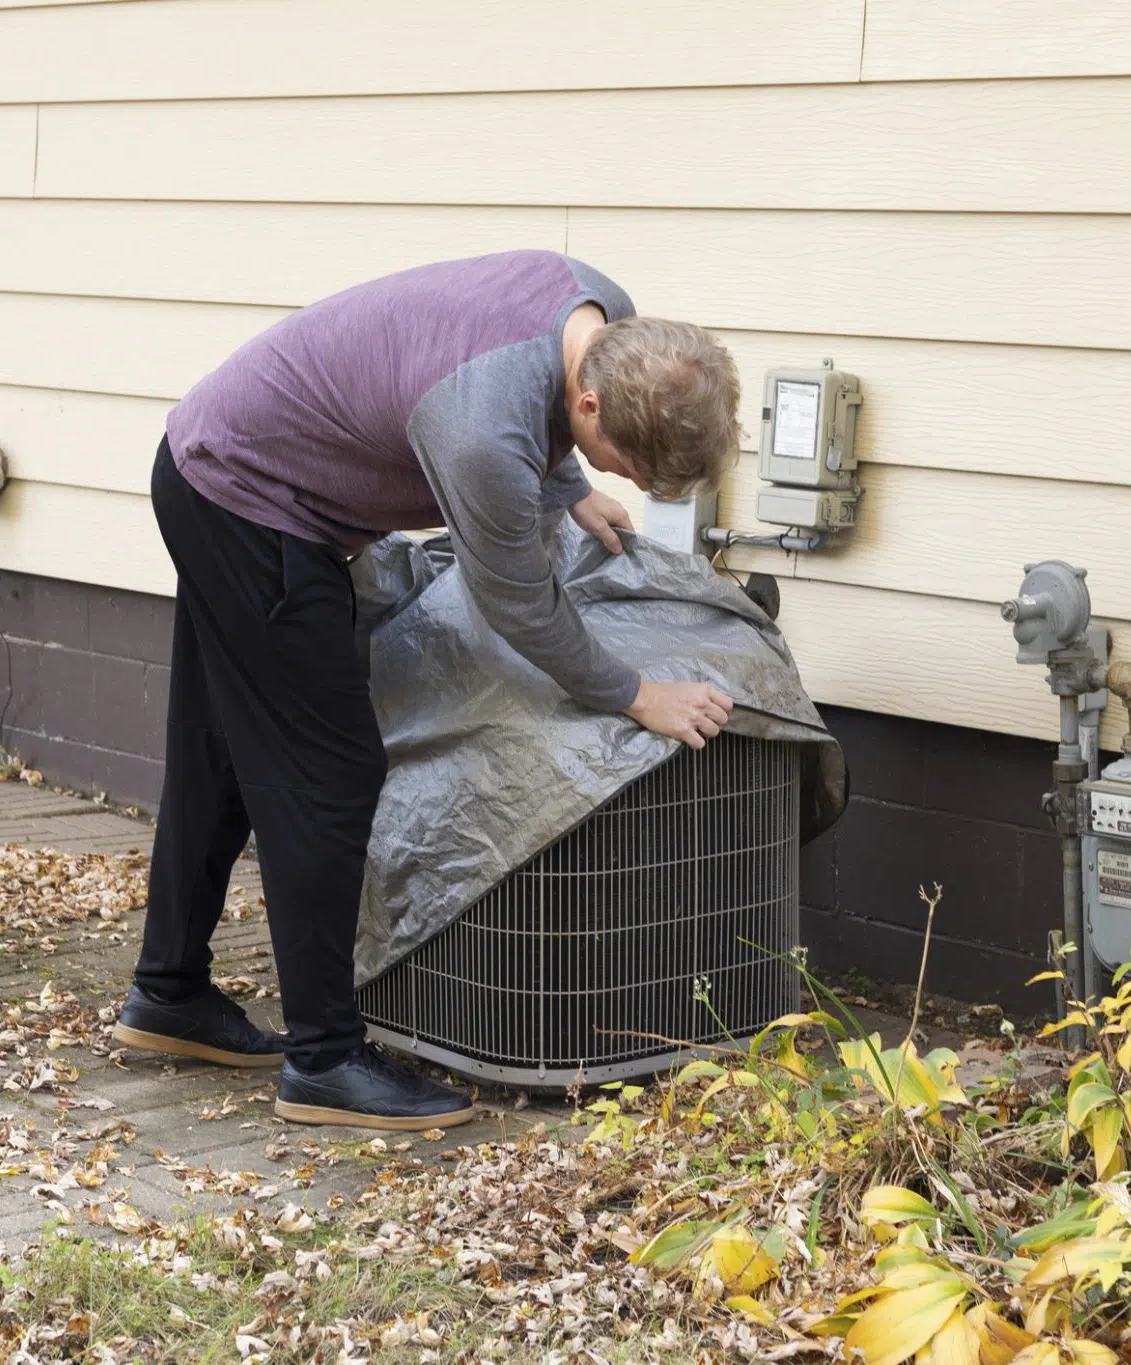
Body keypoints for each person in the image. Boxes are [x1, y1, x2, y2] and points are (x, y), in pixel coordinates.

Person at [109, 251, 742, 1130]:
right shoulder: (481, 430)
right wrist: (638, 694)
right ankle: (323, 1059)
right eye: (623, 464)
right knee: (326, 775)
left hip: (212, 457)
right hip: (247, 500)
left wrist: (566, 489)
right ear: (591, 401)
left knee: (222, 748)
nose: (628, 482)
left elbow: (526, 395)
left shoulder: (597, 313)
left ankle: (168, 993)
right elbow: (521, 605)